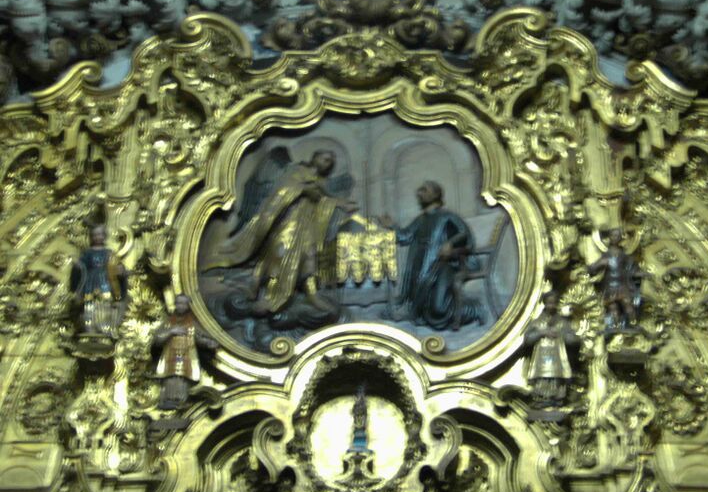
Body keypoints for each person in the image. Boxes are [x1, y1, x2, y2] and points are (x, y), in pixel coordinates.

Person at [205, 149, 357, 315]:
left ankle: (312, 294)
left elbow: (325, 199)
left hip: (308, 224)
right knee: (281, 253)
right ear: (315, 157)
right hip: (289, 220)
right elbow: (283, 190)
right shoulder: (297, 170)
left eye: (330, 162)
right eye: (324, 159)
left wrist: (342, 204)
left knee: (310, 255)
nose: (326, 164)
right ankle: (268, 293)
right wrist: (303, 190)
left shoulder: (322, 182)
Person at [384, 181, 484, 330]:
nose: (420, 193)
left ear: (436, 194)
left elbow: (465, 234)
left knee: (439, 309)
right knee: (428, 308)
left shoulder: (447, 216)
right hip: (422, 266)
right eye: (420, 190)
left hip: (444, 266)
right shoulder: (421, 219)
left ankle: (474, 309)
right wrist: (392, 226)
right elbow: (405, 236)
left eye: (424, 190)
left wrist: (450, 244)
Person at [154, 294, 216, 410]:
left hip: (186, 357)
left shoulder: (192, 322)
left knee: (182, 378)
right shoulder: (168, 321)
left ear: (188, 306)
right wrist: (171, 331)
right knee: (171, 378)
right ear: (175, 304)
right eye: (178, 303)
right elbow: (157, 339)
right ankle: (168, 400)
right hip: (170, 357)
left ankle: (182, 402)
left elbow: (199, 337)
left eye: (184, 303)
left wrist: (209, 343)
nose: (181, 306)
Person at [70, 224, 127, 336]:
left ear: (104, 236)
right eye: (95, 235)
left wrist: (120, 269)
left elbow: (115, 264)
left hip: (105, 281)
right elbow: (81, 265)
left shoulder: (108, 252)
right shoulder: (87, 253)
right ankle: (90, 326)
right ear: (91, 237)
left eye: (100, 234)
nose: (97, 237)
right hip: (90, 282)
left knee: (105, 302)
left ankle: (105, 325)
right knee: (90, 303)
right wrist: (77, 264)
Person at [525, 291, 579, 408]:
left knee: (556, 379)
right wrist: (542, 333)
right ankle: (542, 398)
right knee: (543, 379)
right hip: (541, 361)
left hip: (558, 361)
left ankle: (556, 398)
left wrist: (561, 334)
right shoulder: (537, 322)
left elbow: (574, 340)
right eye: (549, 303)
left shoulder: (562, 322)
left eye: (554, 303)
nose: (551, 306)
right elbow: (527, 340)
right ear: (544, 303)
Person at [587, 228, 642, 331]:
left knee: (628, 305)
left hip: (622, 285)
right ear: (609, 237)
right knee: (613, 308)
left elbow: (631, 268)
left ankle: (633, 323)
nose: (614, 238)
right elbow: (592, 268)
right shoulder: (606, 255)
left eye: (617, 236)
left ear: (621, 238)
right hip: (609, 286)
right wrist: (599, 264)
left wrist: (639, 273)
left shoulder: (624, 255)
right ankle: (616, 328)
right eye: (612, 235)